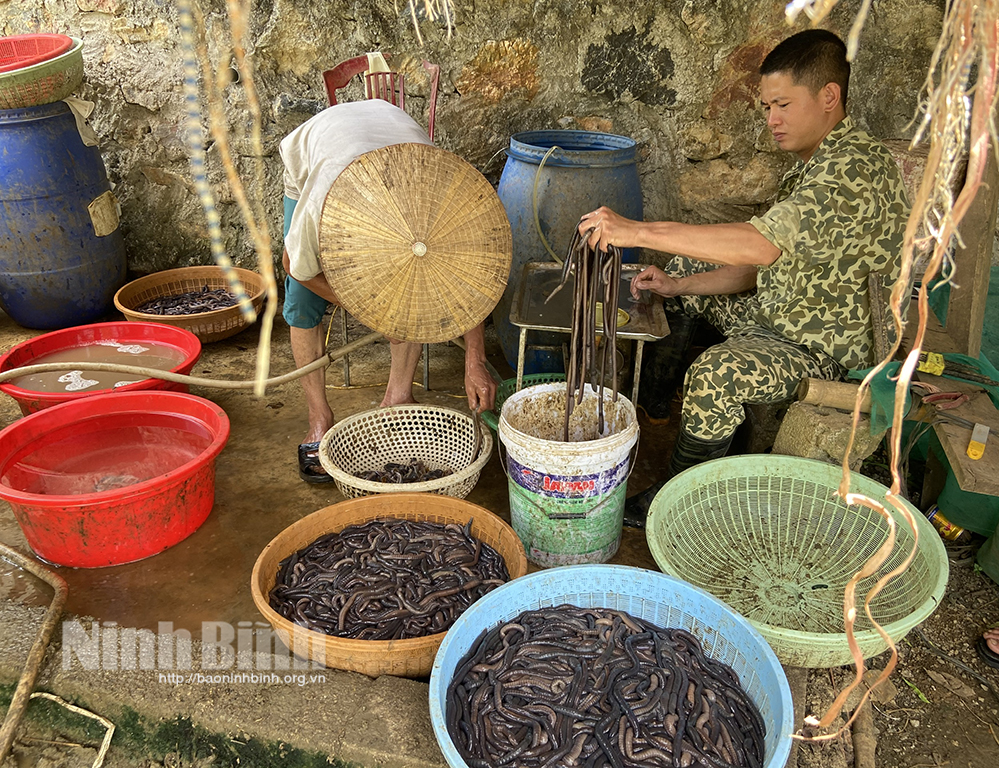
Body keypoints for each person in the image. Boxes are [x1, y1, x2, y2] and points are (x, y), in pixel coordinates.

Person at [578, 29, 910, 528]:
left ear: (829, 96)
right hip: (783, 309)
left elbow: (760, 245)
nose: (772, 121)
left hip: (821, 347)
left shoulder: (853, 171)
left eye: (782, 105)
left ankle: (681, 500)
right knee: (684, 270)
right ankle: (659, 406)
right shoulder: (814, 163)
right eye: (766, 107)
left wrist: (637, 229)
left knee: (716, 375)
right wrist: (677, 285)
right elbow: (761, 264)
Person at [280, 100, 497, 483]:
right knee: (302, 305)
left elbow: (469, 283)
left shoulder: (447, 200)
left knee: (412, 293)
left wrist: (474, 361)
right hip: (321, 150)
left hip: (395, 145)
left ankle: (397, 396)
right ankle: (318, 418)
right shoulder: (322, 202)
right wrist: (372, 314)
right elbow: (294, 268)